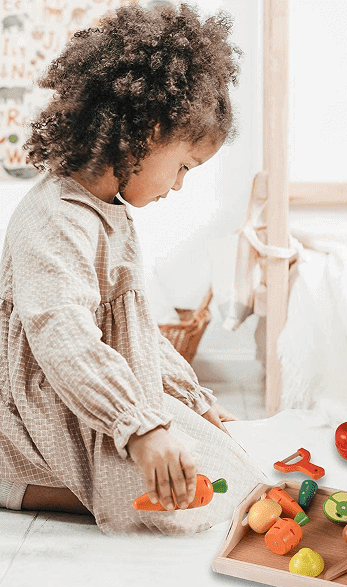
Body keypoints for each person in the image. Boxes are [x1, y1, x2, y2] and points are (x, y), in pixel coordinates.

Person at [0, 3, 265, 534]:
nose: (180, 185)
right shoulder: (55, 217)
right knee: (187, 507)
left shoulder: (111, 211)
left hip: (89, 397)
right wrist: (139, 426)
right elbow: (66, 340)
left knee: (236, 472)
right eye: (184, 166)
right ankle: (20, 481)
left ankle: (101, 466)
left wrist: (191, 400)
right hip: (39, 412)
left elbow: (136, 332)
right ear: (147, 130)